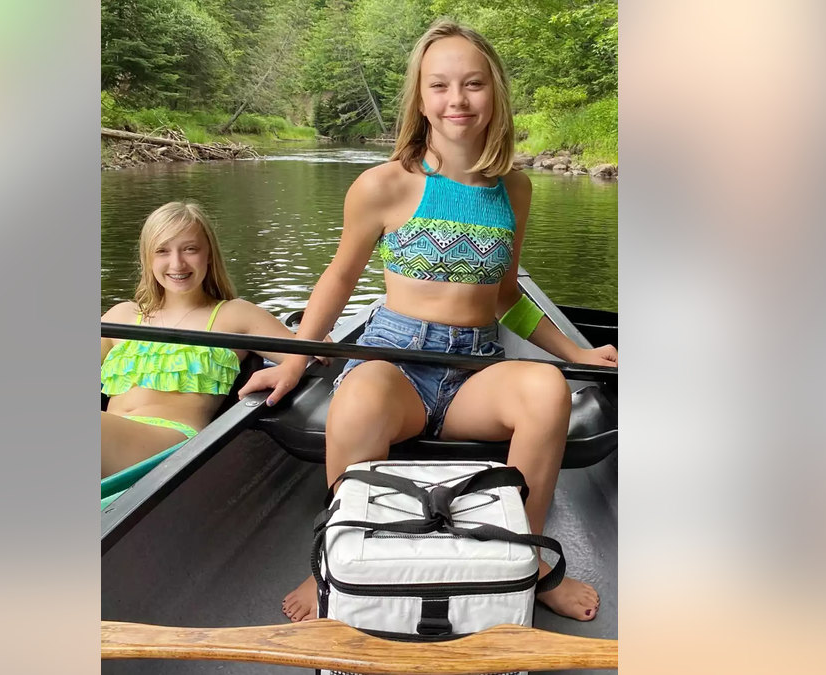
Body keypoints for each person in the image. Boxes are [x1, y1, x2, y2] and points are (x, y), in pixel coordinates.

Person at [238, 20, 618, 622]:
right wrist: (295, 358)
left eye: (472, 84)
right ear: (420, 97)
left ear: (494, 92)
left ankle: (527, 558)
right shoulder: (384, 184)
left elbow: (504, 295)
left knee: (546, 388)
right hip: (397, 361)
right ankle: (336, 559)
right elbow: (337, 279)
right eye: (439, 85)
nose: (456, 100)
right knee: (360, 393)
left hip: (474, 368)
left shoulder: (514, 188)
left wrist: (573, 353)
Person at [100, 201, 312, 491]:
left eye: (190, 249)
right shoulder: (121, 316)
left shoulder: (233, 315)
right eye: (163, 251)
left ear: (209, 255)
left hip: (171, 450)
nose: (177, 264)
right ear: (148, 258)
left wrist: (295, 359)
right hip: (109, 441)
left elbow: (310, 355)